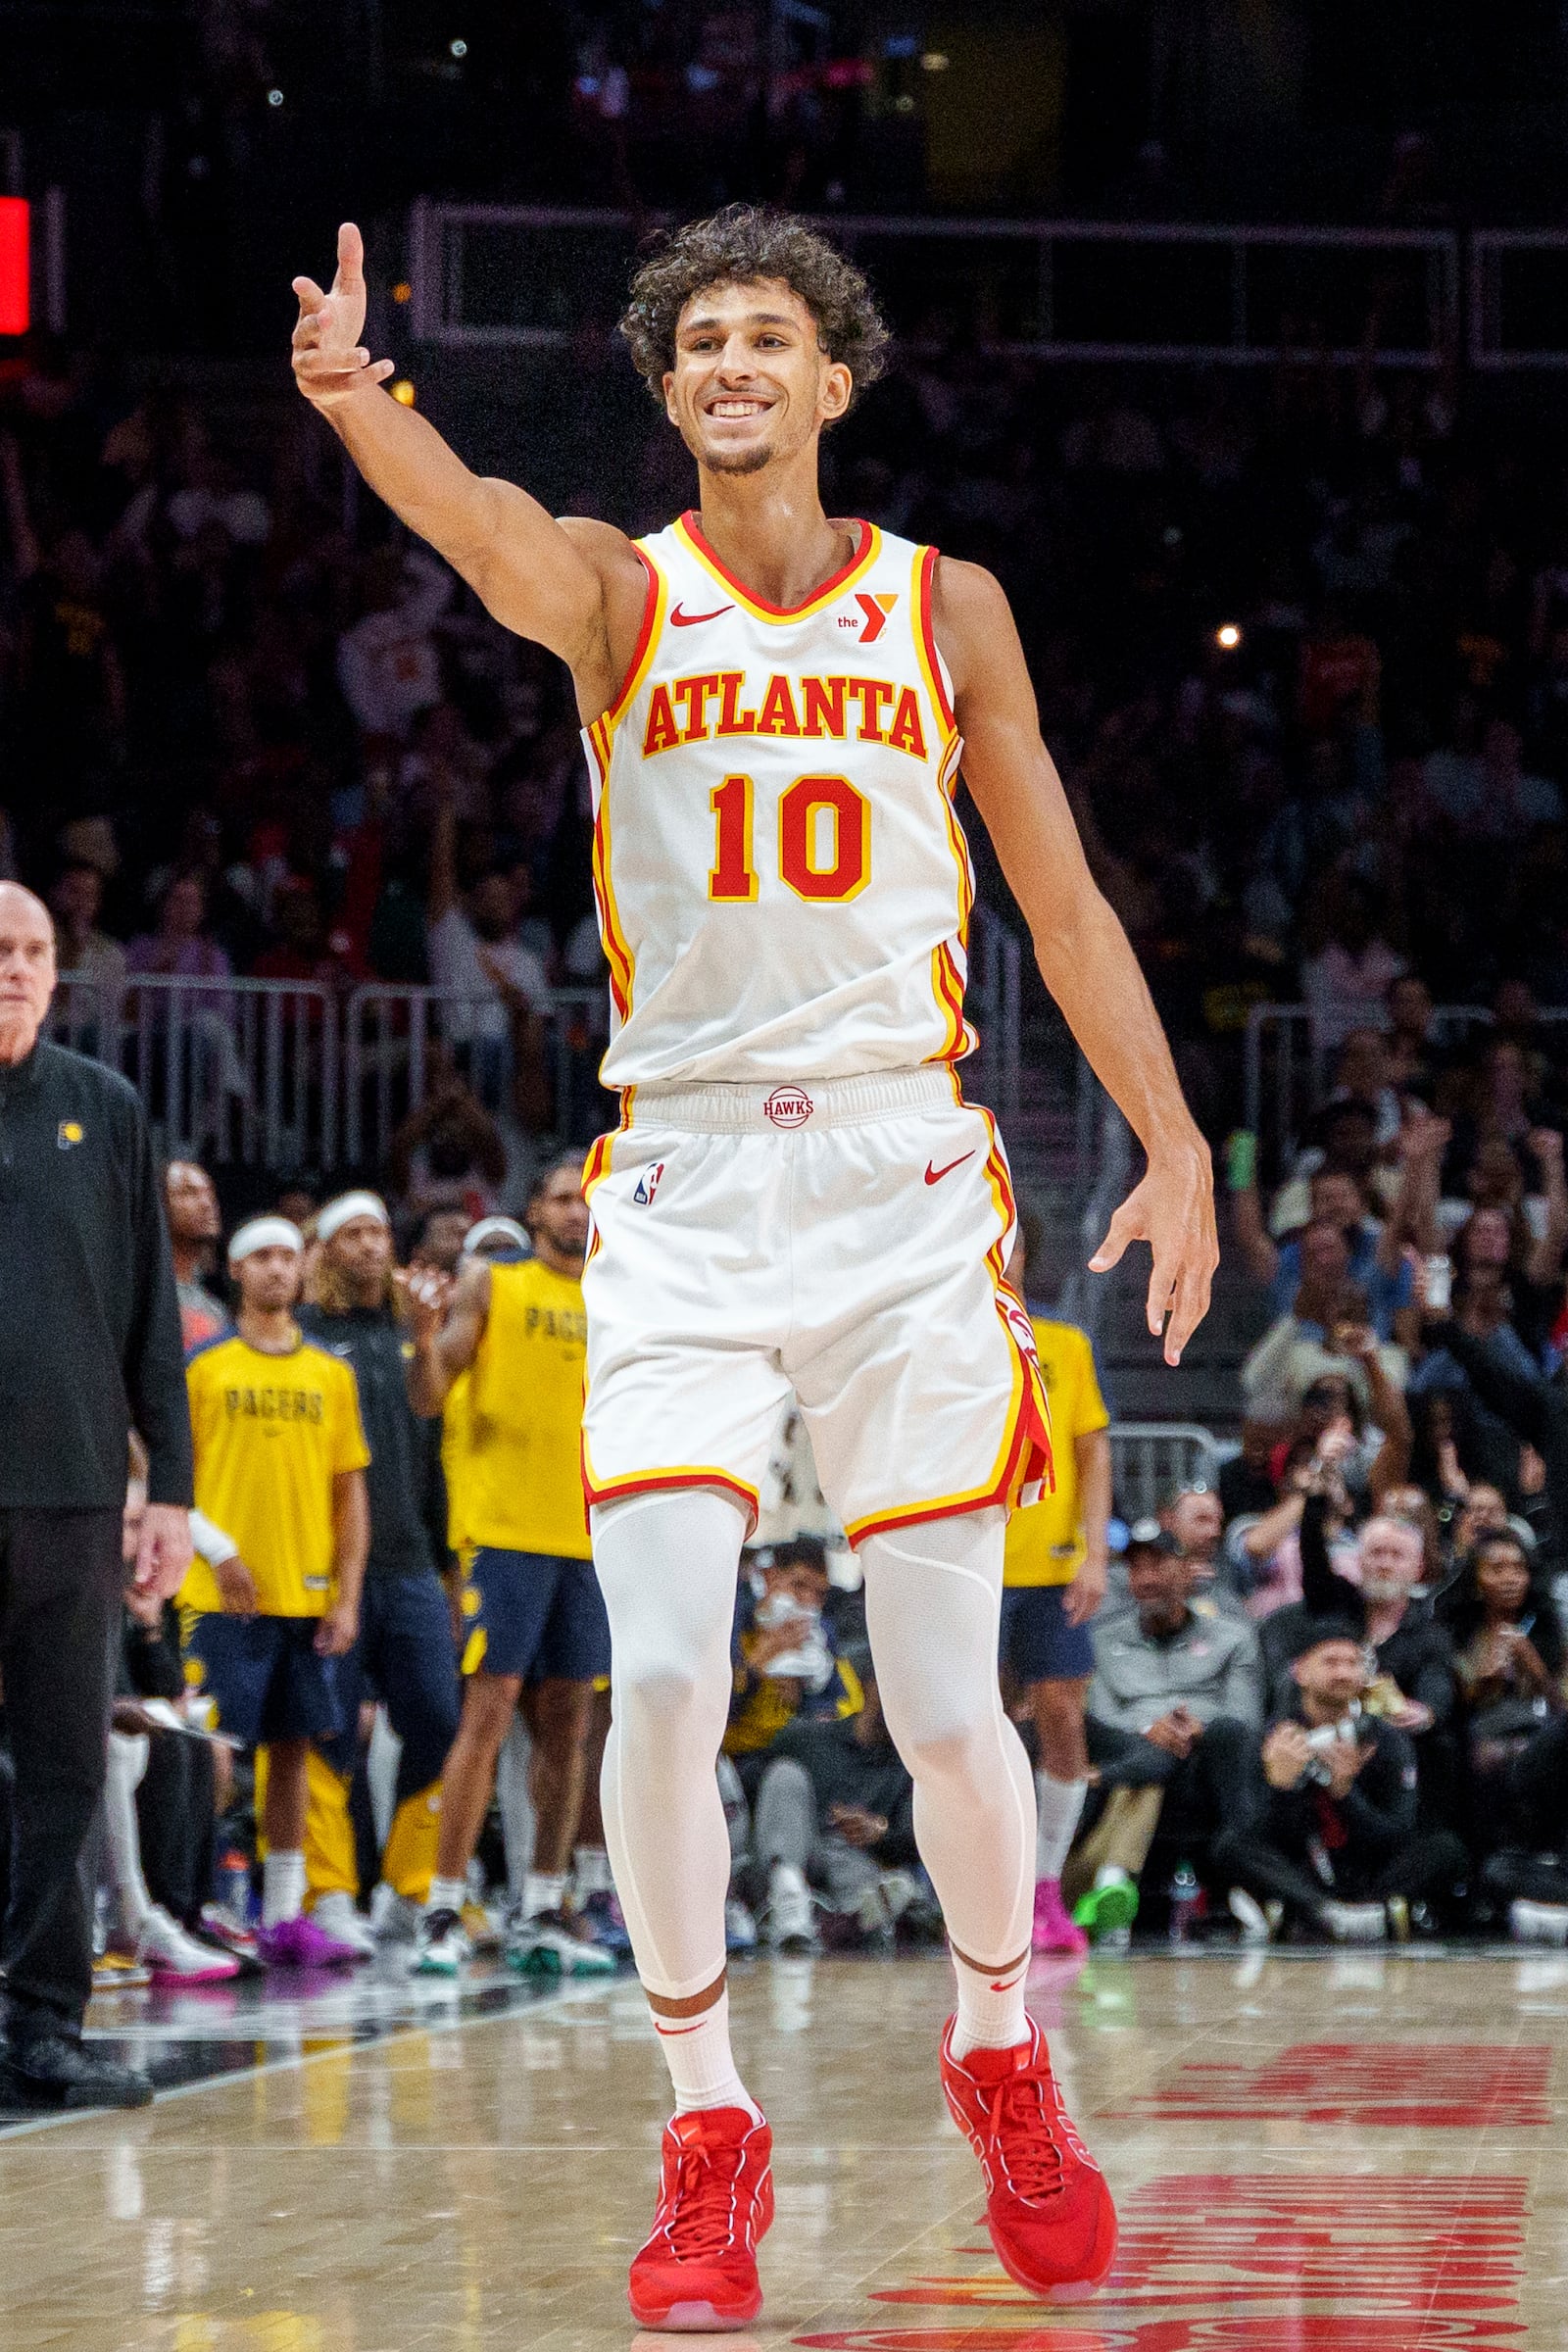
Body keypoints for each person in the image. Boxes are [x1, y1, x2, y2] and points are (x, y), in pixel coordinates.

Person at [293, 205, 1215, 2323]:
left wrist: (1166, 1138)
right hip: (688, 1190)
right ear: (669, 382)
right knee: (674, 1676)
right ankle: (704, 2123)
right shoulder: (622, 598)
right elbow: (478, 523)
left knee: (938, 1703)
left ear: (830, 377)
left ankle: (998, 2047)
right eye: (695, 337)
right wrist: (364, 404)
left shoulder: (942, 606)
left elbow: (1058, 911)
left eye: (765, 336)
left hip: (900, 1177)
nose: (728, 362)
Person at [0, 881, 193, 2112]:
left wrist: (165, 1487)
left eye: (31, 951)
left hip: (71, 1497)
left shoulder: (103, 1110)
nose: (13, 968)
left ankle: (40, 2021)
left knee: (68, 1759)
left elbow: (150, 1319)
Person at [405, 1155, 614, 1979]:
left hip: (592, 1537)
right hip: (505, 1534)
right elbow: (429, 1396)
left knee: (570, 1726)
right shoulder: (494, 1284)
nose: (575, 1211)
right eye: (562, 1198)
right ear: (535, 1212)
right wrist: (424, 1337)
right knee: (487, 1717)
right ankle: (443, 1906)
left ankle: (542, 1904)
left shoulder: (620, 1297)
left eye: (586, 1198)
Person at [181, 1217, 371, 1967]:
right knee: (214, 1759)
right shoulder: (205, 1367)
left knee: (294, 1756)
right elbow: (170, 1479)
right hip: (218, 1596)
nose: (276, 1269)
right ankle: (202, 1903)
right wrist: (219, 1552)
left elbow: (349, 1495)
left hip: (304, 1595)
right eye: (261, 1256)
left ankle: (287, 1913)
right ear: (234, 1268)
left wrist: (347, 1595)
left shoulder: (331, 1373)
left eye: (288, 1257)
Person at [296, 1191, 463, 1944]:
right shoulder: (301, 1335)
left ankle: (410, 1886)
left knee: (438, 1717)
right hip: (321, 1567)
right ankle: (328, 1893)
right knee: (324, 1728)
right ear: (325, 1249)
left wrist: (427, 1336)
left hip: (409, 1559)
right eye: (352, 1232)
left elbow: (432, 1419)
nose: (369, 1245)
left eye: (378, 1231)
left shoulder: (407, 1330)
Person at [997, 1225, 1110, 1954]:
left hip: (1051, 1563)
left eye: (1010, 1243)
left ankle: (1044, 1889)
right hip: (968, 1565)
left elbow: (1091, 1450)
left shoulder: (1064, 1343)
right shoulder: (938, 1340)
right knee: (974, 1731)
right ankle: (984, 1895)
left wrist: (1095, 1552)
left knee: (1062, 1720)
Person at [1212, 1625, 1466, 1942]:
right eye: (1330, 1662)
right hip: (1304, 1871)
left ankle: (1355, 1911)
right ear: (1300, 1671)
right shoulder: (1273, 1739)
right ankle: (1326, 1911)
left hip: (1368, 1871)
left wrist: (1346, 1794)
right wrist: (1281, 1787)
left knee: (1445, 1848)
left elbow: (1397, 1834)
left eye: (1352, 1663)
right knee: (1230, 1846)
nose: (1343, 1673)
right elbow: (1261, 1834)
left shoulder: (1385, 1739)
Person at [1073, 1527, 1262, 1930]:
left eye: (1158, 1563)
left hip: (1206, 1763)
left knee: (1225, 1737)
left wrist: (1197, 1728)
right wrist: (1147, 1729)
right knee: (1147, 1758)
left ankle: (1114, 1878)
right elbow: (1100, 1715)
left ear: (1188, 1569)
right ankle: (1113, 1883)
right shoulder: (1103, 1641)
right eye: (1135, 1567)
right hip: (1133, 1752)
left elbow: (1245, 1714)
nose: (1146, 1578)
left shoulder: (1232, 1636)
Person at [165, 1158, 229, 1348]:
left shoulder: (216, 1309)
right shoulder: (141, 1296)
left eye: (210, 1193)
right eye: (189, 1192)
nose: (207, 1203)